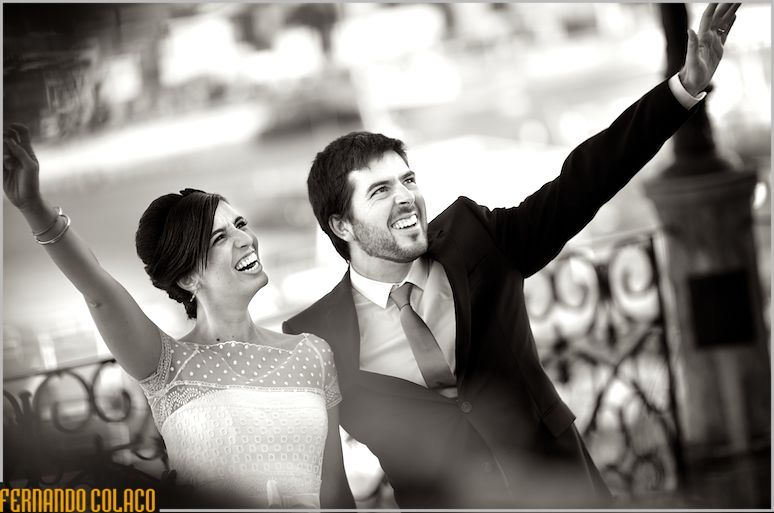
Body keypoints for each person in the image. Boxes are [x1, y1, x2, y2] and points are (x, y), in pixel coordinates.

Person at [283, 3, 739, 508]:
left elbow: (585, 181)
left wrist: (683, 91)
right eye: (380, 191)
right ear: (342, 225)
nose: (406, 198)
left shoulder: (475, 239)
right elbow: (324, 478)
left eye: (408, 180)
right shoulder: (314, 340)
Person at [2, 125, 355, 509]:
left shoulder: (312, 354)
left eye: (240, 225)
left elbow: (336, 490)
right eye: (219, 238)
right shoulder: (166, 364)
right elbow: (99, 293)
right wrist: (33, 207)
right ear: (188, 277)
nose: (245, 240)